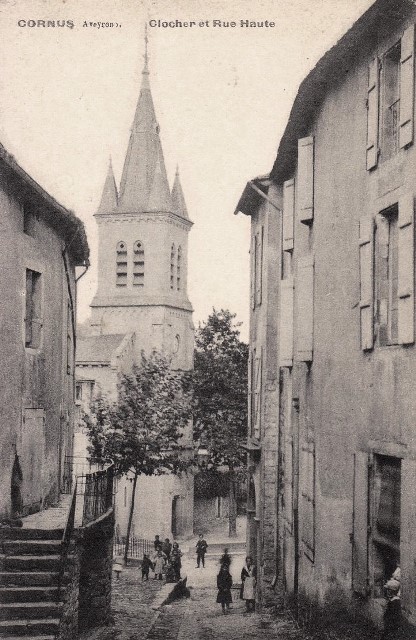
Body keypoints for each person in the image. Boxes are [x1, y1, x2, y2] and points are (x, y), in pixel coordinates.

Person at [382, 566, 401, 639]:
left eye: (388, 590)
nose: (387, 592)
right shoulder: (392, 600)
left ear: (391, 591)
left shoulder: (394, 602)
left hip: (392, 629)